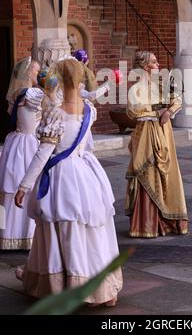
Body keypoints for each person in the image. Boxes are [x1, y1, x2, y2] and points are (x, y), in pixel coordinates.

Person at [14, 58, 122, 306]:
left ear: (60, 80)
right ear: (81, 79)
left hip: (61, 176)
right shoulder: (89, 111)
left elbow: (43, 154)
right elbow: (88, 146)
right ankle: (99, 287)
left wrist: (24, 186)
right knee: (90, 230)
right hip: (85, 174)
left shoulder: (56, 113)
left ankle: (62, 287)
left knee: (61, 228)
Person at [125, 51, 188, 238]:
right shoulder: (135, 89)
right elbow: (133, 113)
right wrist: (156, 113)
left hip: (163, 131)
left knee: (166, 172)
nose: (158, 64)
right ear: (145, 66)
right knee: (148, 170)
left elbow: (177, 99)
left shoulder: (163, 85)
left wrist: (168, 112)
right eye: (153, 62)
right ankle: (147, 223)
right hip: (145, 134)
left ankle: (167, 221)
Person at [0, 57, 42, 250]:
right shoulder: (32, 94)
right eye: (36, 71)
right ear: (28, 73)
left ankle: (8, 234)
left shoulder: (17, 94)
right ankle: (27, 235)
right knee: (27, 185)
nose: (39, 74)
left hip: (16, 142)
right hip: (29, 143)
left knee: (12, 185)